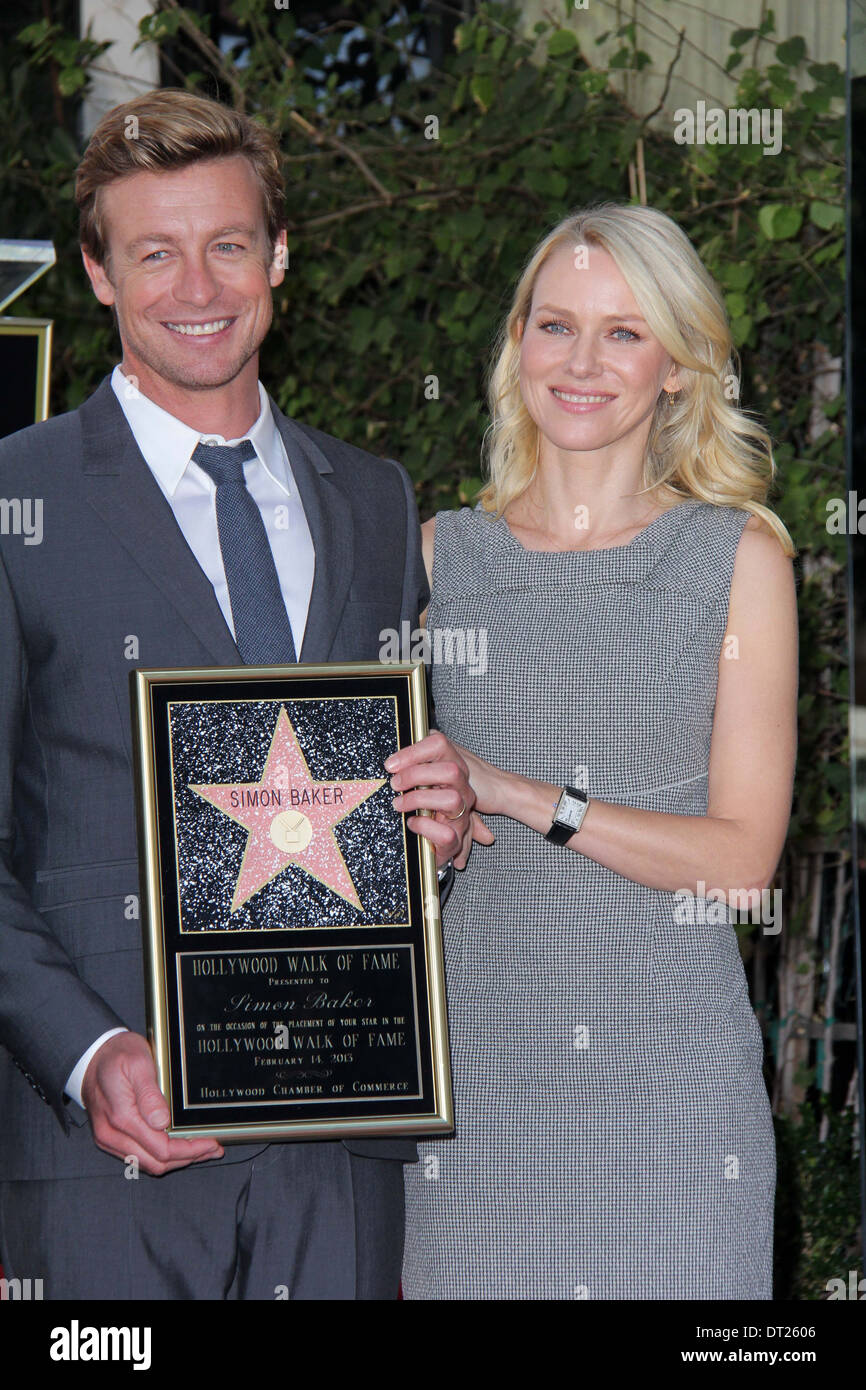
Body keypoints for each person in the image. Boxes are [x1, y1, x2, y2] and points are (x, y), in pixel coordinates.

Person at [0, 88, 474, 1301]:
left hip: (343, 1142)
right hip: (115, 1152)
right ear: (99, 276)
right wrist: (88, 1050)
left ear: (277, 257)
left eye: (225, 245)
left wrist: (440, 815)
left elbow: (384, 787)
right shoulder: (20, 499)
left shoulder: (370, 498)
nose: (196, 287)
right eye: (153, 252)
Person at [390, 203, 798, 1299]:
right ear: (515, 343)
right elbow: (385, 851)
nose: (581, 362)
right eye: (554, 324)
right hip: (476, 1092)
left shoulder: (733, 558)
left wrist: (520, 795)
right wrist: (430, 832)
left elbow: (739, 863)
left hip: (672, 1102)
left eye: (622, 332)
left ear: (675, 365)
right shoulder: (434, 557)